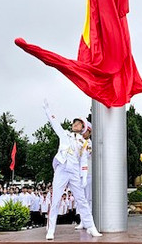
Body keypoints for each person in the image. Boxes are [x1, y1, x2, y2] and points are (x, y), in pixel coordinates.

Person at [42, 100, 101, 240]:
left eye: (78, 123)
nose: (75, 124)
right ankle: (51, 230)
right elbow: (54, 123)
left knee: (82, 200)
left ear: (83, 127)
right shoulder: (65, 135)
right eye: (74, 123)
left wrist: (84, 177)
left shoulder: (84, 143)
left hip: (74, 171)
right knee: (55, 200)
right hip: (62, 169)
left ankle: (91, 227)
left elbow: (84, 161)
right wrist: (48, 111)